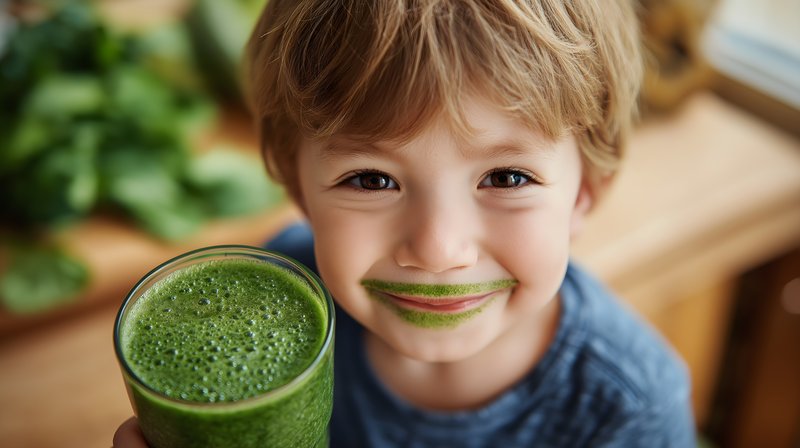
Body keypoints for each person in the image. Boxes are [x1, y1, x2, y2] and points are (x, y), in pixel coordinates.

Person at [114, 0, 696, 446]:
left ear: (584, 193)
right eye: (371, 180)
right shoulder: (276, 305)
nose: (438, 248)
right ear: (297, 189)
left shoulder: (630, 413)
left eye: (507, 177)